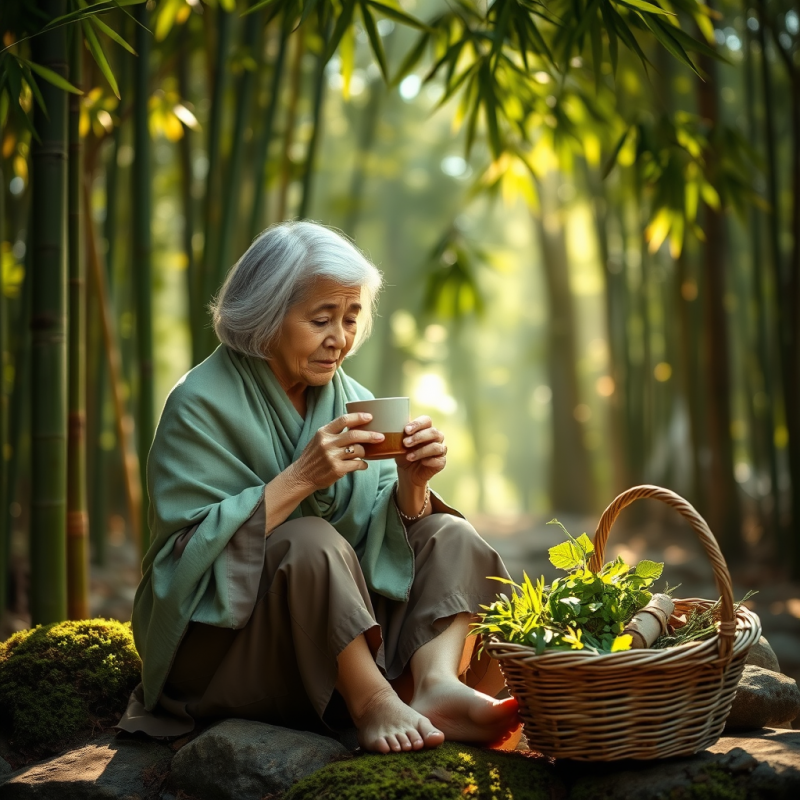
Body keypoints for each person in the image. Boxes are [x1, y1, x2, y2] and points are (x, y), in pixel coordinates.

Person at [118, 221, 520, 754]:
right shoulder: (199, 403)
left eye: (350, 318)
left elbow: (382, 539)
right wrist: (301, 478)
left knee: (450, 532)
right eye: (320, 319)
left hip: (335, 632)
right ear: (263, 316)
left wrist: (412, 485)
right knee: (310, 540)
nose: (340, 339)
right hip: (232, 650)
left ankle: (434, 684)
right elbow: (185, 558)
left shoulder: (351, 398)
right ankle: (372, 701)